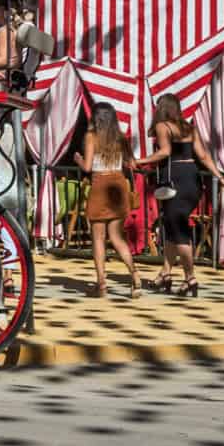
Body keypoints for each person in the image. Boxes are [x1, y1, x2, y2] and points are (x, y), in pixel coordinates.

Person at [135, 94, 224, 299]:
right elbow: (204, 156)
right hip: (193, 181)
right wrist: (220, 177)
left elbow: (164, 152)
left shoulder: (163, 126)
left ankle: (190, 278)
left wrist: (141, 160)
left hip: (175, 182)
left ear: (162, 108)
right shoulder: (190, 128)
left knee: (179, 232)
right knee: (172, 227)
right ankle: (165, 273)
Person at [80, 103, 142, 299]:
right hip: (118, 185)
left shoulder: (91, 137)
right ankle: (135, 275)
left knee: (98, 239)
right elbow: (131, 163)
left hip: (100, 185)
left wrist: (77, 159)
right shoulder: (120, 138)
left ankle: (102, 283)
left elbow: (88, 167)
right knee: (116, 237)